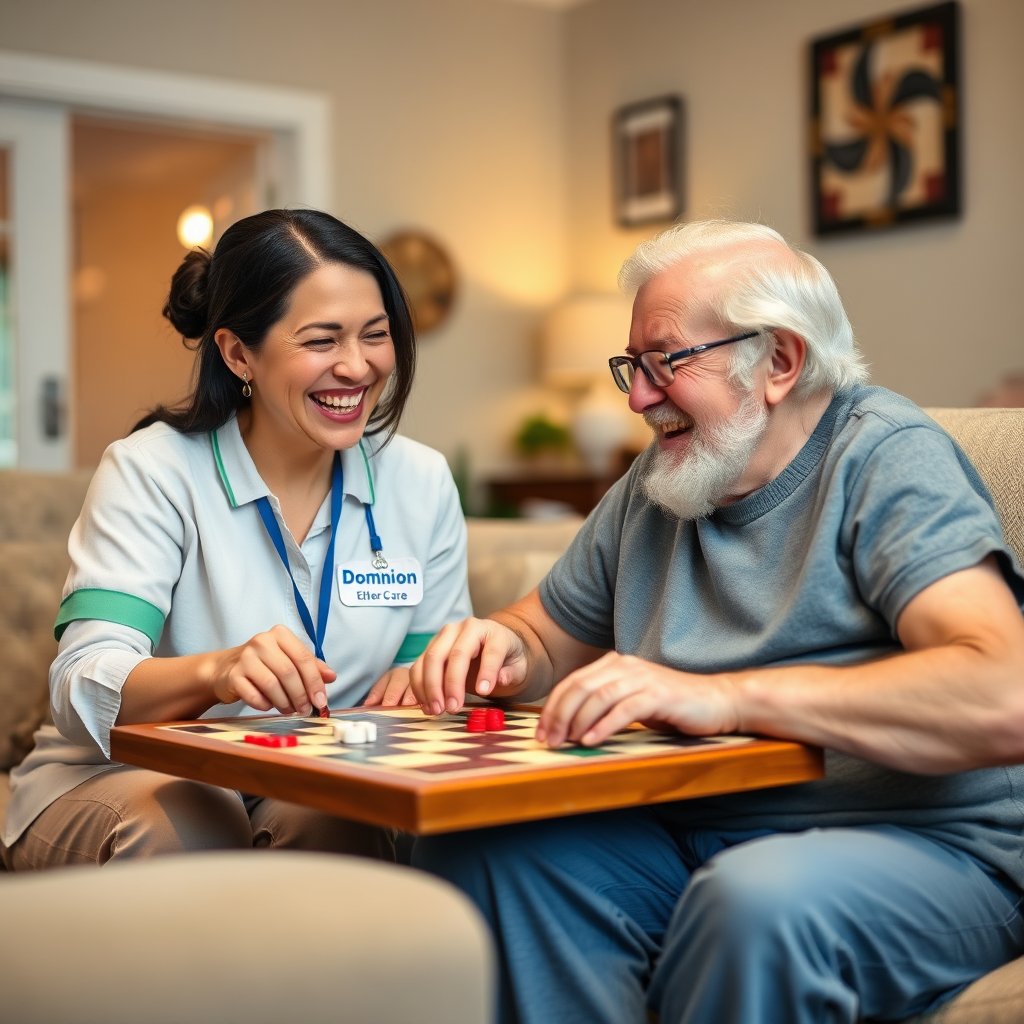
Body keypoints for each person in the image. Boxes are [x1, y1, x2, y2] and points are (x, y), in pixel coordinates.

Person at [408, 220, 1024, 1024]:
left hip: (928, 848)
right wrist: (502, 648)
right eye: (633, 366)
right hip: (687, 836)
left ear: (779, 361)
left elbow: (1000, 690)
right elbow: (544, 635)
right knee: (487, 847)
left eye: (666, 361)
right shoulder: (665, 479)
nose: (636, 396)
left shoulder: (885, 457)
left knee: (755, 905)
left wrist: (732, 699)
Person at [1, 209, 470, 870]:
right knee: (195, 817)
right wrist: (216, 671)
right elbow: (81, 687)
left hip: (303, 774)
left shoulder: (420, 481)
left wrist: (431, 684)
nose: (357, 367)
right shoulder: (151, 470)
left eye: (375, 335)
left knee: (343, 815)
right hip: (116, 776)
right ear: (237, 352)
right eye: (321, 340)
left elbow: (436, 677)